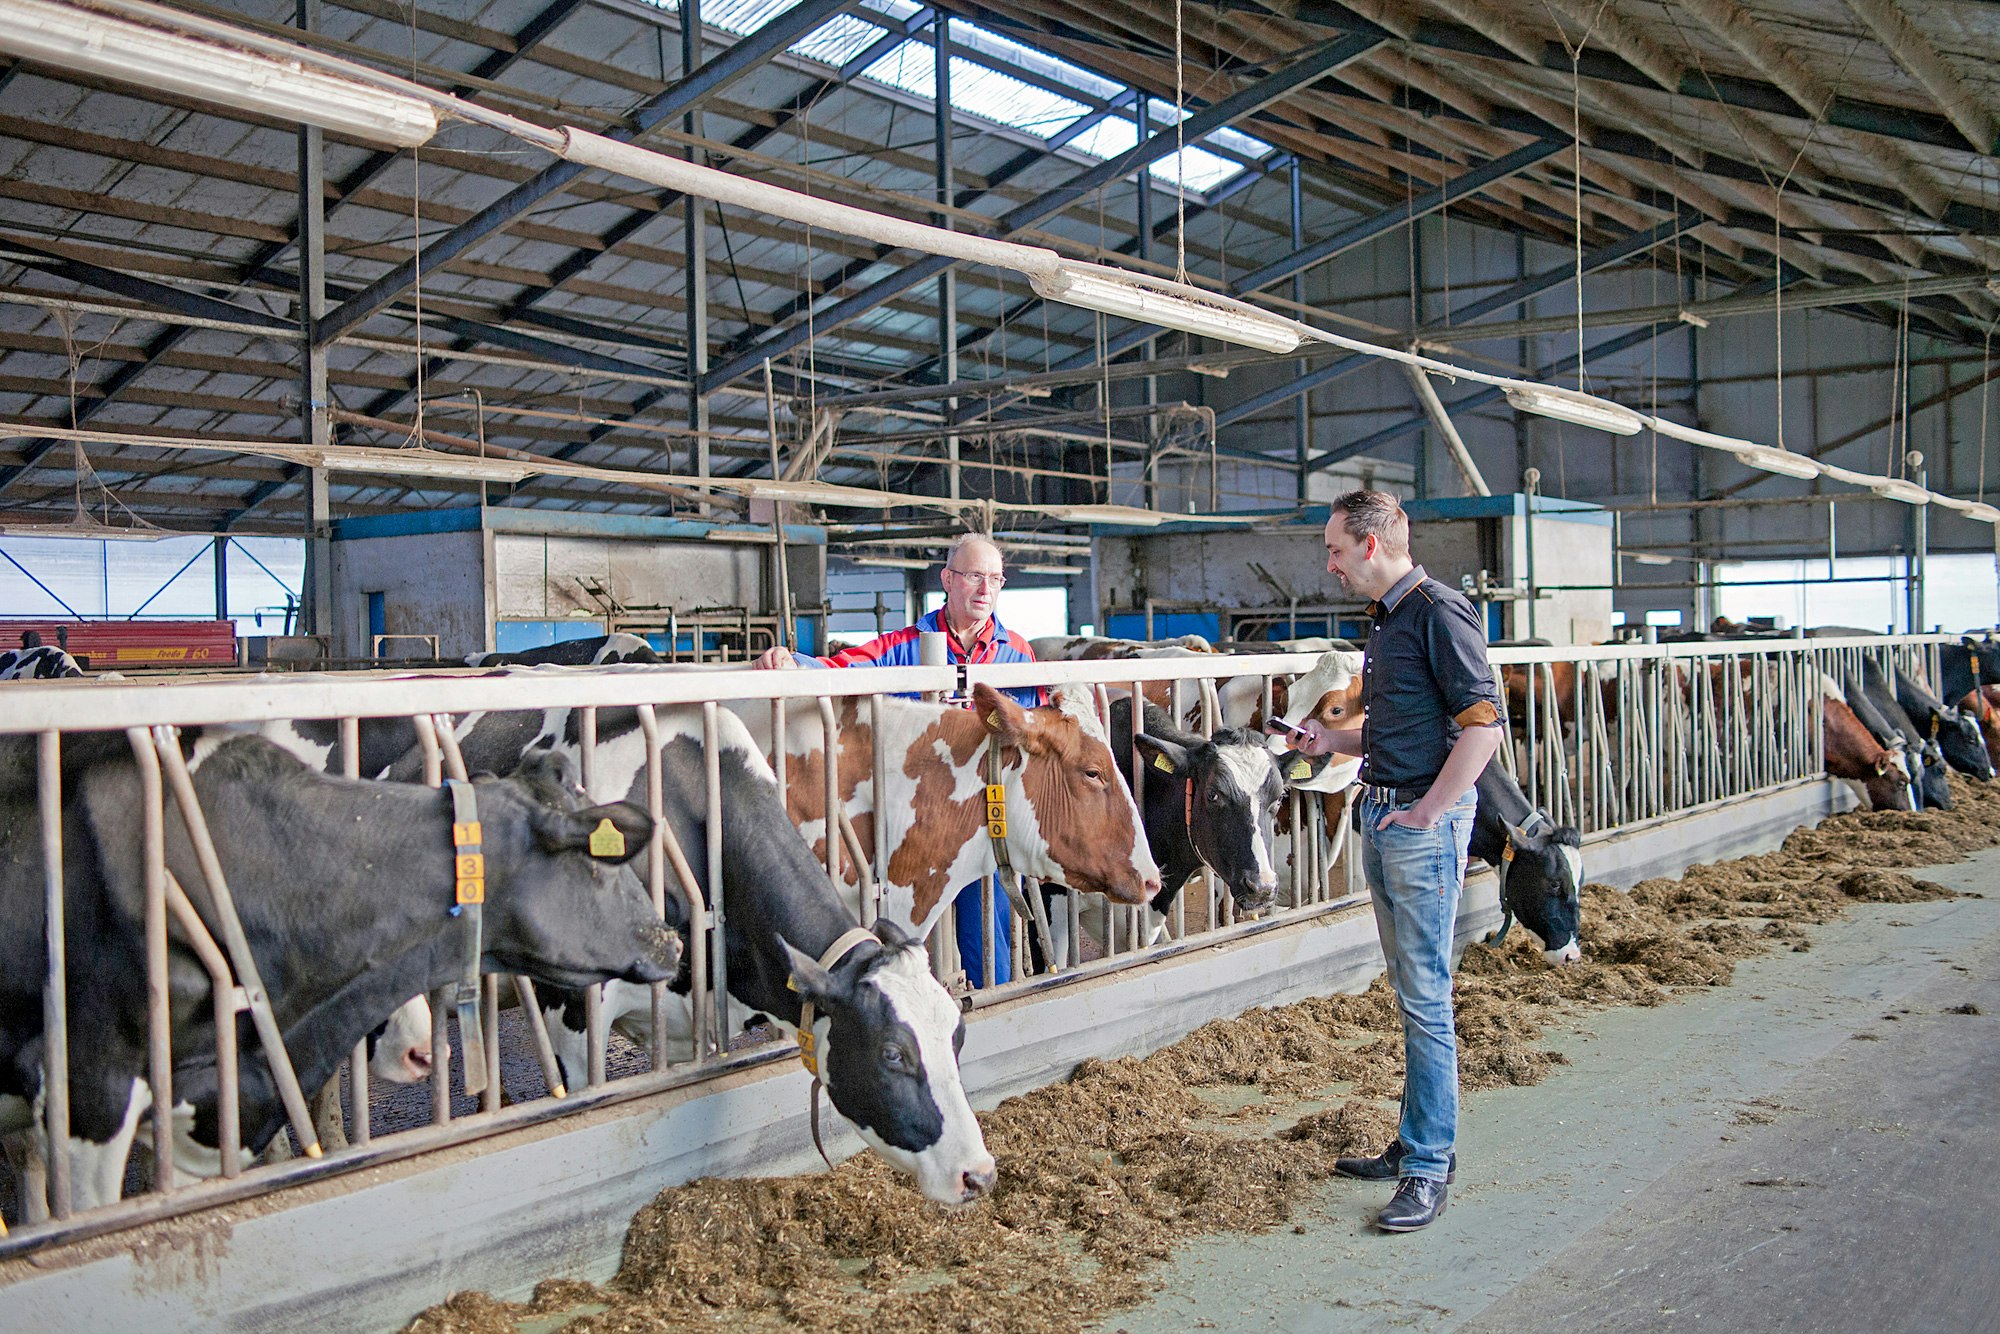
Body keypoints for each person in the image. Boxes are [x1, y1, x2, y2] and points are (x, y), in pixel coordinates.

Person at [1287, 490, 1503, 1233]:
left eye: (1336, 549)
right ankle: (1416, 1143)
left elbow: (1485, 730)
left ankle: (1428, 1169)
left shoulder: (1440, 611)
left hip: (1416, 822)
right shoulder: (1386, 619)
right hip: (1382, 809)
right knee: (1413, 990)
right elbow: (1397, 727)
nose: (1331, 562)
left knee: (1426, 997)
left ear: (1371, 546)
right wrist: (1330, 745)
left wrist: (1428, 812)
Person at [755, 532, 1040, 986]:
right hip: (916, 819)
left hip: (985, 815)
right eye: (973, 576)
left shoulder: (1017, 653)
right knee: (903, 935)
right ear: (948, 579)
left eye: (995, 578)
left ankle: (995, 1010)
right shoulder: (906, 644)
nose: (985, 589)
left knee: (987, 929)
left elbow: (1032, 732)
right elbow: (846, 667)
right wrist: (793, 662)